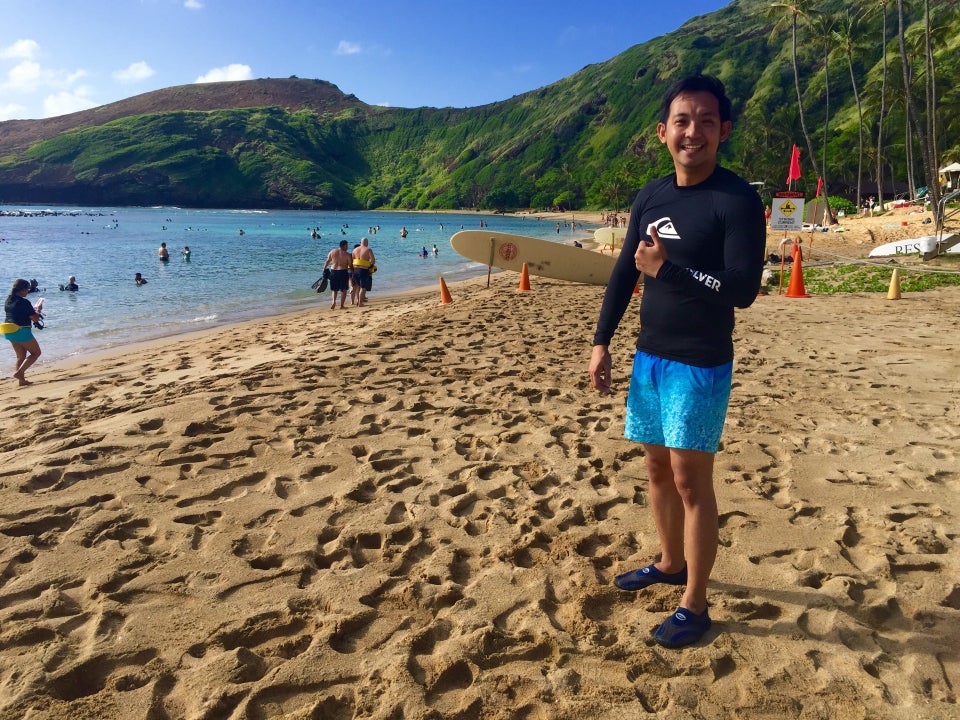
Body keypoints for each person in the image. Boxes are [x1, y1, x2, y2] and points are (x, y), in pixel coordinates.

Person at [588, 74, 765, 649]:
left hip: (700, 363)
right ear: (663, 132)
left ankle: (695, 601)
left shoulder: (736, 200)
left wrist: (671, 271)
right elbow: (622, 273)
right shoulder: (651, 197)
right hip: (650, 358)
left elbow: (740, 290)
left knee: (692, 481)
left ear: (724, 131)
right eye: (683, 122)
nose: (694, 132)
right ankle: (668, 562)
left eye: (706, 121)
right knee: (657, 471)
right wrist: (601, 341)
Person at [3, 279, 43, 386]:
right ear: (22, 290)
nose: (28, 291)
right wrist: (38, 310)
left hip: (8, 331)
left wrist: (33, 311)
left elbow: (17, 313)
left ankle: (21, 381)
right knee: (36, 353)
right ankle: (19, 373)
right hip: (21, 331)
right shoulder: (24, 302)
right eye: (27, 289)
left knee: (21, 356)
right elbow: (35, 319)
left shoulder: (8, 300)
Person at [323, 239, 353, 310]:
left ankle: (333, 301)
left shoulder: (332, 251)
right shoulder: (347, 254)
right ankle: (342, 305)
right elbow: (350, 265)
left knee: (334, 289)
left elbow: (327, 261)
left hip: (333, 271)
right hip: (343, 272)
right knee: (344, 290)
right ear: (344, 246)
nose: (347, 247)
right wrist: (352, 272)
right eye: (347, 246)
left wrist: (324, 269)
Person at [351, 237, 376, 307]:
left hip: (355, 270)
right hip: (363, 270)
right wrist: (371, 266)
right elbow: (373, 260)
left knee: (358, 286)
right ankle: (360, 303)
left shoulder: (354, 250)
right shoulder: (368, 249)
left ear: (360, 242)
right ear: (367, 243)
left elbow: (352, 261)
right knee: (363, 287)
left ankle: (357, 300)